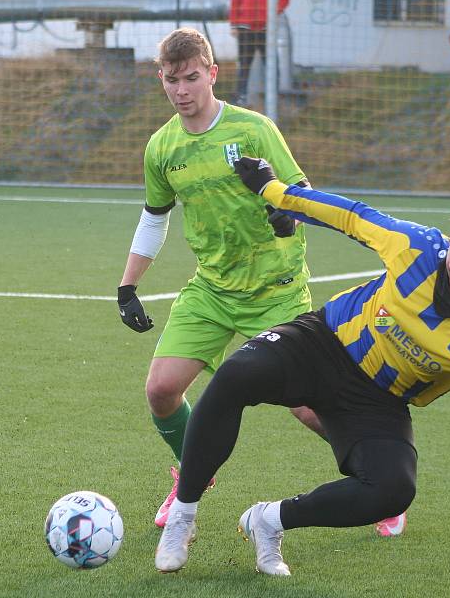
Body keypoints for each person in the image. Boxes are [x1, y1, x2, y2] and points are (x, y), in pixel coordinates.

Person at [153, 157, 450, 580]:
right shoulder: (419, 247)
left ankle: (268, 520)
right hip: (323, 343)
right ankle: (184, 517)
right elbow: (350, 215)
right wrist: (274, 191)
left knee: (392, 490)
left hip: (375, 400)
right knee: (235, 374)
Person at [117, 27, 324, 529]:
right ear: (160, 79)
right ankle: (193, 471)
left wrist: (287, 213)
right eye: (171, 80)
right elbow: (155, 216)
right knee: (161, 390)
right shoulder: (162, 147)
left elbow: (303, 193)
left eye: (191, 78)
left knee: (308, 406)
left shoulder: (253, 129)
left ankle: (380, 483)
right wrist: (128, 285)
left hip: (275, 291)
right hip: (211, 289)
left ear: (212, 74)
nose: (182, 90)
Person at [229, 0, 290, 106]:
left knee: (272, 63)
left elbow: (284, 0)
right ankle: (241, 96)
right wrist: (234, 25)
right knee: (244, 64)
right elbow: (235, 2)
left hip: (266, 28)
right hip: (245, 26)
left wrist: (273, 12)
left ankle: (273, 96)